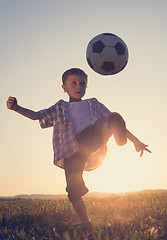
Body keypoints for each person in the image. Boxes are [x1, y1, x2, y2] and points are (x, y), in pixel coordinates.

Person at [6, 68, 151, 227]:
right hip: (71, 152)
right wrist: (16, 108)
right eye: (73, 83)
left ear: (86, 86)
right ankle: (85, 221)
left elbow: (112, 119)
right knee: (73, 192)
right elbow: (37, 116)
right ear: (64, 88)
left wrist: (135, 140)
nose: (78, 87)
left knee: (105, 120)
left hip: (92, 138)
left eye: (82, 84)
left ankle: (111, 132)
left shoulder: (93, 103)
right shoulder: (59, 108)